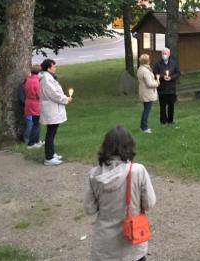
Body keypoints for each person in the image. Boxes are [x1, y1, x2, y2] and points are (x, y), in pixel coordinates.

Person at [84, 126, 156, 261]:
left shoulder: (94, 174)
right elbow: (149, 204)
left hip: (104, 247)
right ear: (130, 146)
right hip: (133, 245)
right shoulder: (138, 171)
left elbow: (90, 209)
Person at [39, 59, 72, 166]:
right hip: (51, 109)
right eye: (53, 66)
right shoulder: (46, 80)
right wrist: (66, 99)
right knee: (50, 133)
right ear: (48, 68)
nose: (55, 68)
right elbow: (54, 94)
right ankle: (48, 158)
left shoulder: (49, 78)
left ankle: (51, 153)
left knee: (52, 132)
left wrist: (64, 98)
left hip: (53, 109)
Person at [152, 47, 181, 125]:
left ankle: (170, 120)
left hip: (171, 88)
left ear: (169, 54)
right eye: (163, 53)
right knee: (162, 106)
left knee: (171, 105)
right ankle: (163, 121)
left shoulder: (174, 63)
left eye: (165, 53)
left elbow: (178, 73)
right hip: (162, 88)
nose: (164, 55)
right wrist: (162, 77)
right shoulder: (158, 64)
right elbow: (154, 74)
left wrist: (171, 77)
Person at [136, 54, 160, 134]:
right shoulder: (145, 71)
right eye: (149, 59)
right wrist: (157, 82)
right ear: (147, 61)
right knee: (147, 110)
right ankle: (144, 128)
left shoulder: (140, 68)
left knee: (145, 110)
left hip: (144, 92)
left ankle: (142, 126)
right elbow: (149, 84)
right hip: (147, 93)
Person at [23, 64, 43, 148]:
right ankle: (32, 142)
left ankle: (35, 141)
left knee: (35, 123)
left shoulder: (28, 80)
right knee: (37, 124)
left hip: (28, 103)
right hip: (35, 104)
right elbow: (39, 94)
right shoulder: (36, 81)